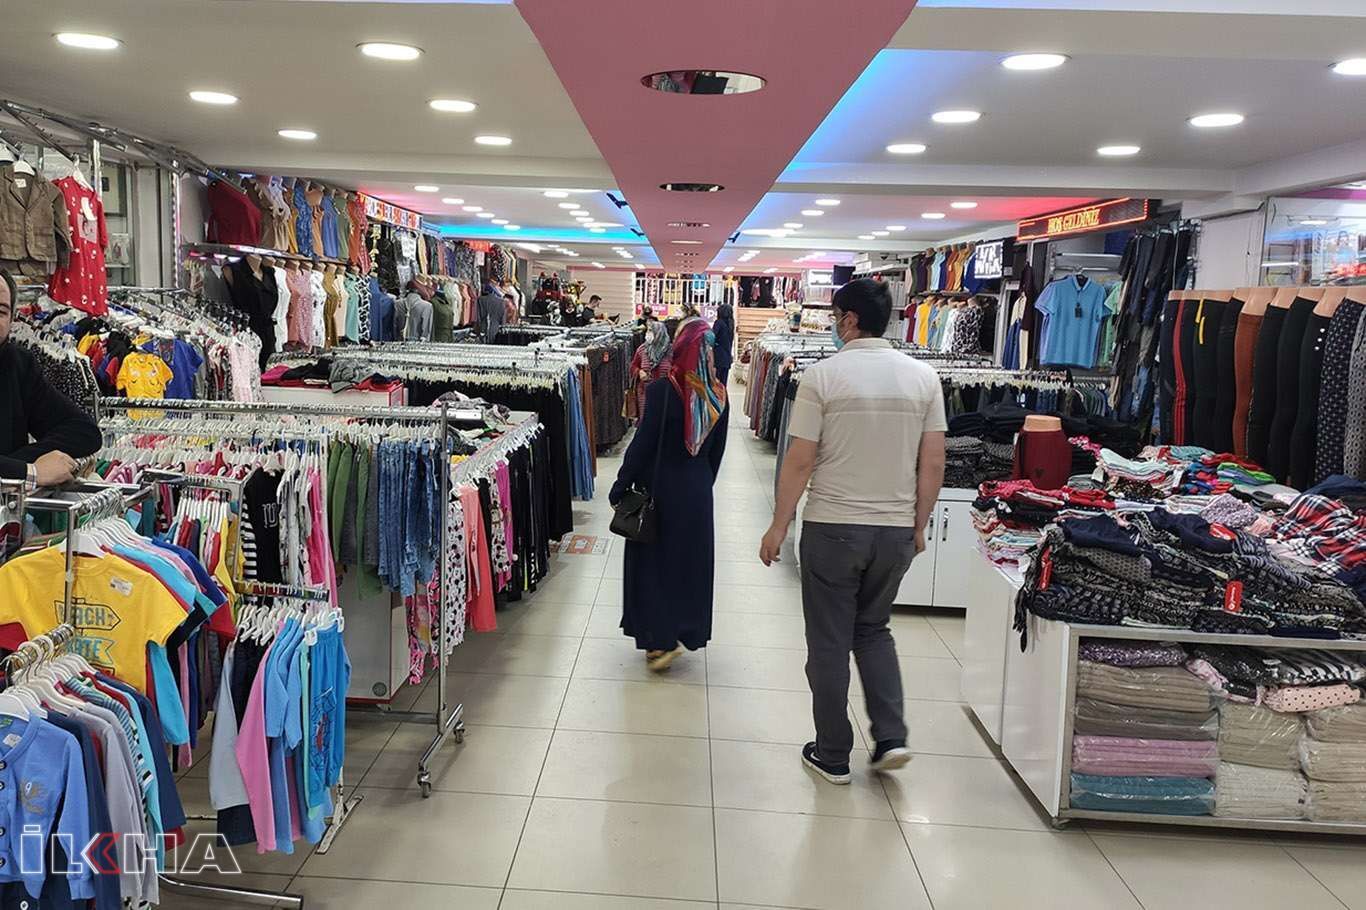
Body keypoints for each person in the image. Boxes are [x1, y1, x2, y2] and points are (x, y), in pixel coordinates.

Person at [759, 278, 946, 784]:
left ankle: (833, 753)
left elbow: (801, 460)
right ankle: (891, 737)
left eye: (835, 315)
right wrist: (919, 524)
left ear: (850, 319)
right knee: (874, 630)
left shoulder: (822, 377)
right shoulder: (924, 378)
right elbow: (933, 461)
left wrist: (779, 525)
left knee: (828, 641)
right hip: (894, 531)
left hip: (833, 527)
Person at [610, 316, 728, 671]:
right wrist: (700, 487)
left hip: (661, 489)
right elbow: (716, 454)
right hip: (697, 493)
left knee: (653, 565)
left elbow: (642, 445)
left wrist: (620, 485)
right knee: (688, 566)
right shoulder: (717, 395)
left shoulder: (664, 390)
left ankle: (658, 640)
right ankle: (683, 630)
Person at [0, 268, 102, 488]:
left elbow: (84, 431)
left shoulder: (18, 364)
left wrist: (11, 466)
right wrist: (29, 471)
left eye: (1, 311)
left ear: (11, 320)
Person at [626, 320, 672, 422]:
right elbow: (633, 366)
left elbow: (677, 370)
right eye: (648, 330)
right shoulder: (642, 349)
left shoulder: (670, 351)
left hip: (664, 395)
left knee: (662, 422)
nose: (648, 333)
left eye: (651, 330)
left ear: (659, 333)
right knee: (646, 421)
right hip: (645, 393)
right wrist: (639, 372)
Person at [712, 303, 735, 386]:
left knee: (716, 383)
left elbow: (712, 336)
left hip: (718, 356)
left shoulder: (719, 323)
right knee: (723, 384)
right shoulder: (731, 324)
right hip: (727, 357)